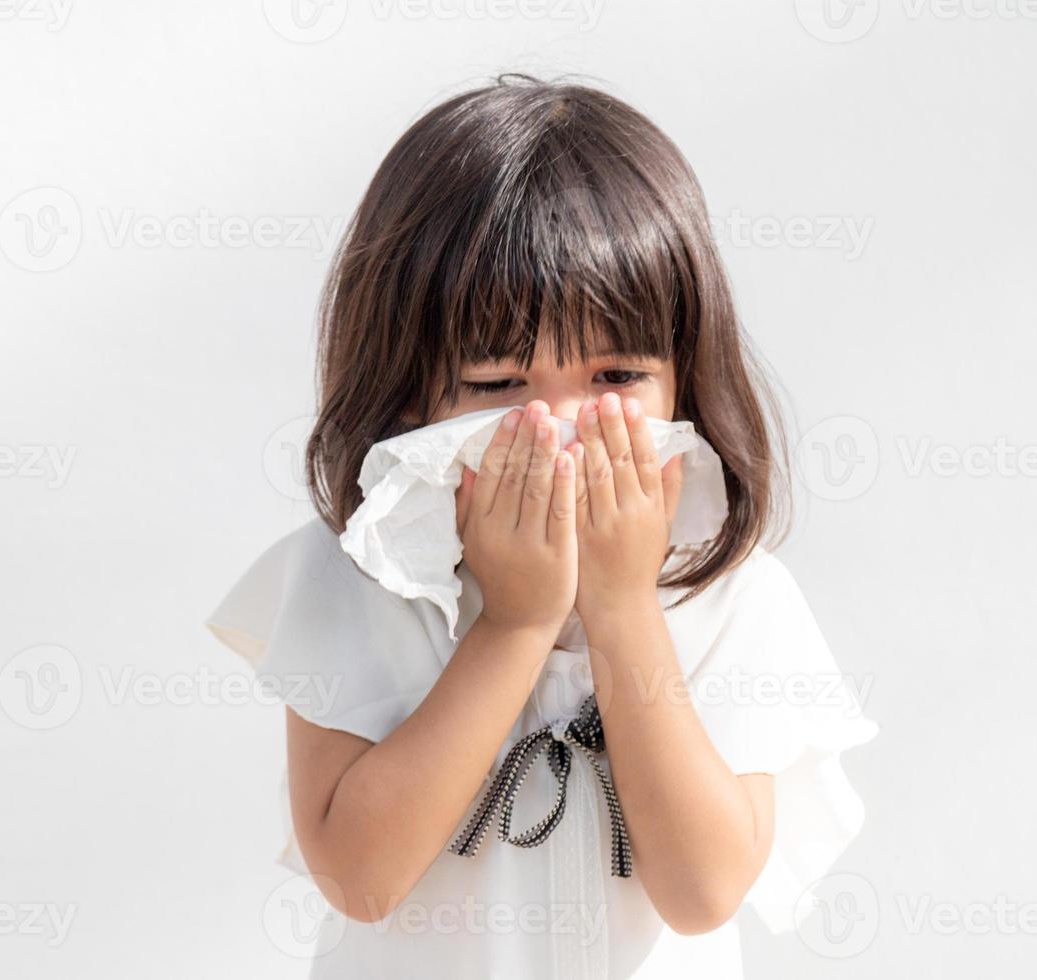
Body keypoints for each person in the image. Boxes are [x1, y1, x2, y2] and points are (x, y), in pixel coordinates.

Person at [207, 74, 877, 979]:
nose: (558, 430)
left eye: (613, 380)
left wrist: (621, 608)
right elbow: (359, 878)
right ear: (410, 400)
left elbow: (704, 891)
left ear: (685, 377)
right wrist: (514, 624)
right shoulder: (348, 579)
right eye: (495, 387)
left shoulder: (732, 596)